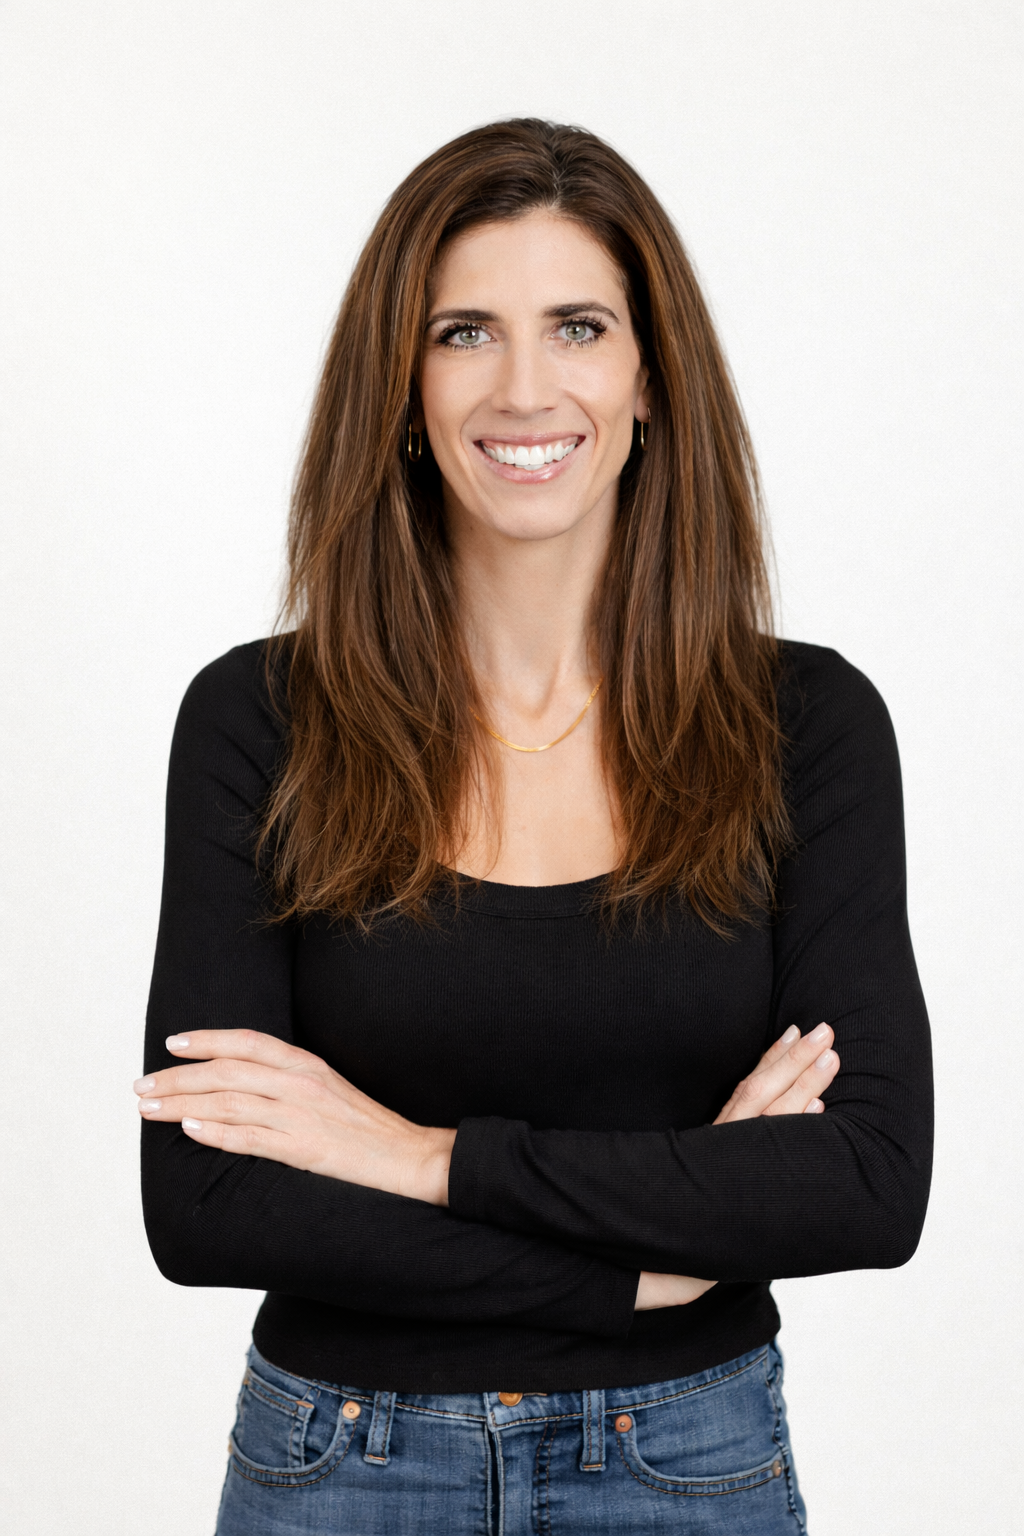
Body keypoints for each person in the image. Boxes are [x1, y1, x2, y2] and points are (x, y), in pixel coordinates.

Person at [136, 119, 932, 1535]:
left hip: (687, 1462)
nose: (523, 387)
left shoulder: (805, 727)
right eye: (462, 331)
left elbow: (864, 1183)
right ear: (400, 387)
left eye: (577, 325)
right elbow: (205, 1204)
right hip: (340, 1466)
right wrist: (645, 1264)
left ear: (649, 382)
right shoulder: (261, 720)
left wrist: (407, 1153)